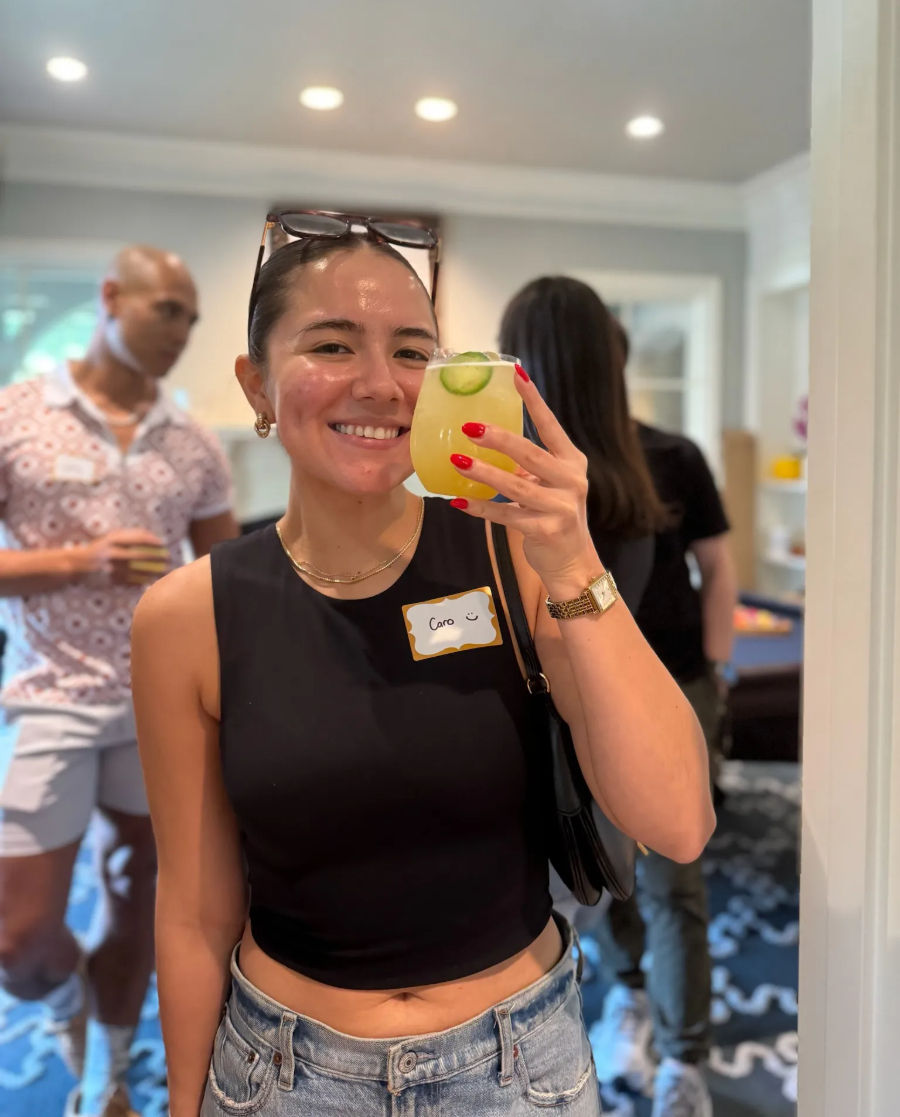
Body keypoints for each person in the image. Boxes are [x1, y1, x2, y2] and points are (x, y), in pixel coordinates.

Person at [131, 213, 716, 1117]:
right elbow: (195, 908)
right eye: (332, 343)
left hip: (520, 1067)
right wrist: (182, 1100)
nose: (380, 384)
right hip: (283, 1072)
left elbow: (677, 822)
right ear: (255, 382)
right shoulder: (186, 615)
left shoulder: (513, 556)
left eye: (413, 352)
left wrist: (575, 560)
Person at [0, 245, 240, 1117]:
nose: (182, 332)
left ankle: (107, 1071)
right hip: (47, 697)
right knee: (20, 940)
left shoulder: (196, 443)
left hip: (158, 703)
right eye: (167, 309)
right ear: (111, 298)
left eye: (191, 318)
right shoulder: (17, 414)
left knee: (143, 899)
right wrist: (76, 561)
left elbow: (227, 579)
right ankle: (62, 1007)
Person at [582, 317, 736, 1117]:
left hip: (677, 681)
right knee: (606, 874)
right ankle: (630, 994)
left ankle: (685, 1057)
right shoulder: (546, 468)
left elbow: (716, 565)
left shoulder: (673, 455)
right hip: (582, 697)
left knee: (676, 878)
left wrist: (713, 674)